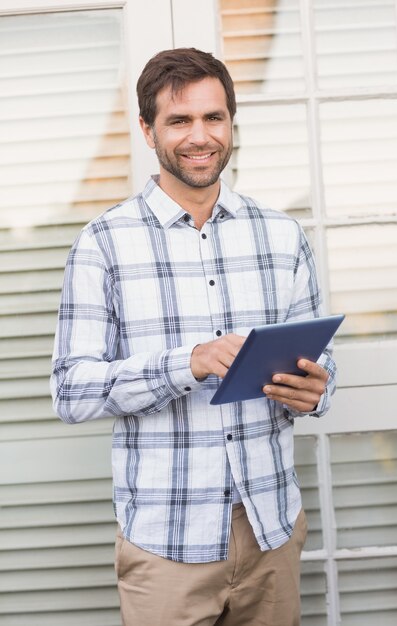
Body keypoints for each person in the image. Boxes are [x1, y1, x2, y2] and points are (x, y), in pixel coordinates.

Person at [50, 47, 336, 626]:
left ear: (231, 122)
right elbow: (72, 391)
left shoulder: (282, 236)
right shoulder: (102, 244)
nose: (199, 136)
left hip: (271, 529)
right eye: (179, 121)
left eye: (214, 118)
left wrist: (317, 389)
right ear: (147, 131)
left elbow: (320, 361)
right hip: (165, 544)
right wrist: (190, 363)